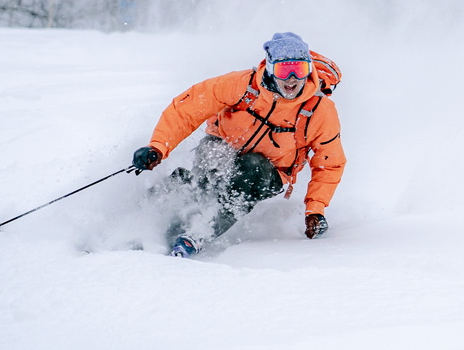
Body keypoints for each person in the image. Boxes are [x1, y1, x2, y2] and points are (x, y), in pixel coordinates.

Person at [131, 32, 346, 257]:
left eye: (299, 70)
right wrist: (157, 147)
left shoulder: (320, 110)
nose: (292, 78)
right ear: (270, 69)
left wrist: (316, 209)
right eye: (284, 70)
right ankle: (140, 223)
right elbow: (187, 110)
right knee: (207, 170)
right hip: (224, 148)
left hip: (269, 171)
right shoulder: (242, 85)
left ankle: (197, 234)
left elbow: (329, 162)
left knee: (251, 167)